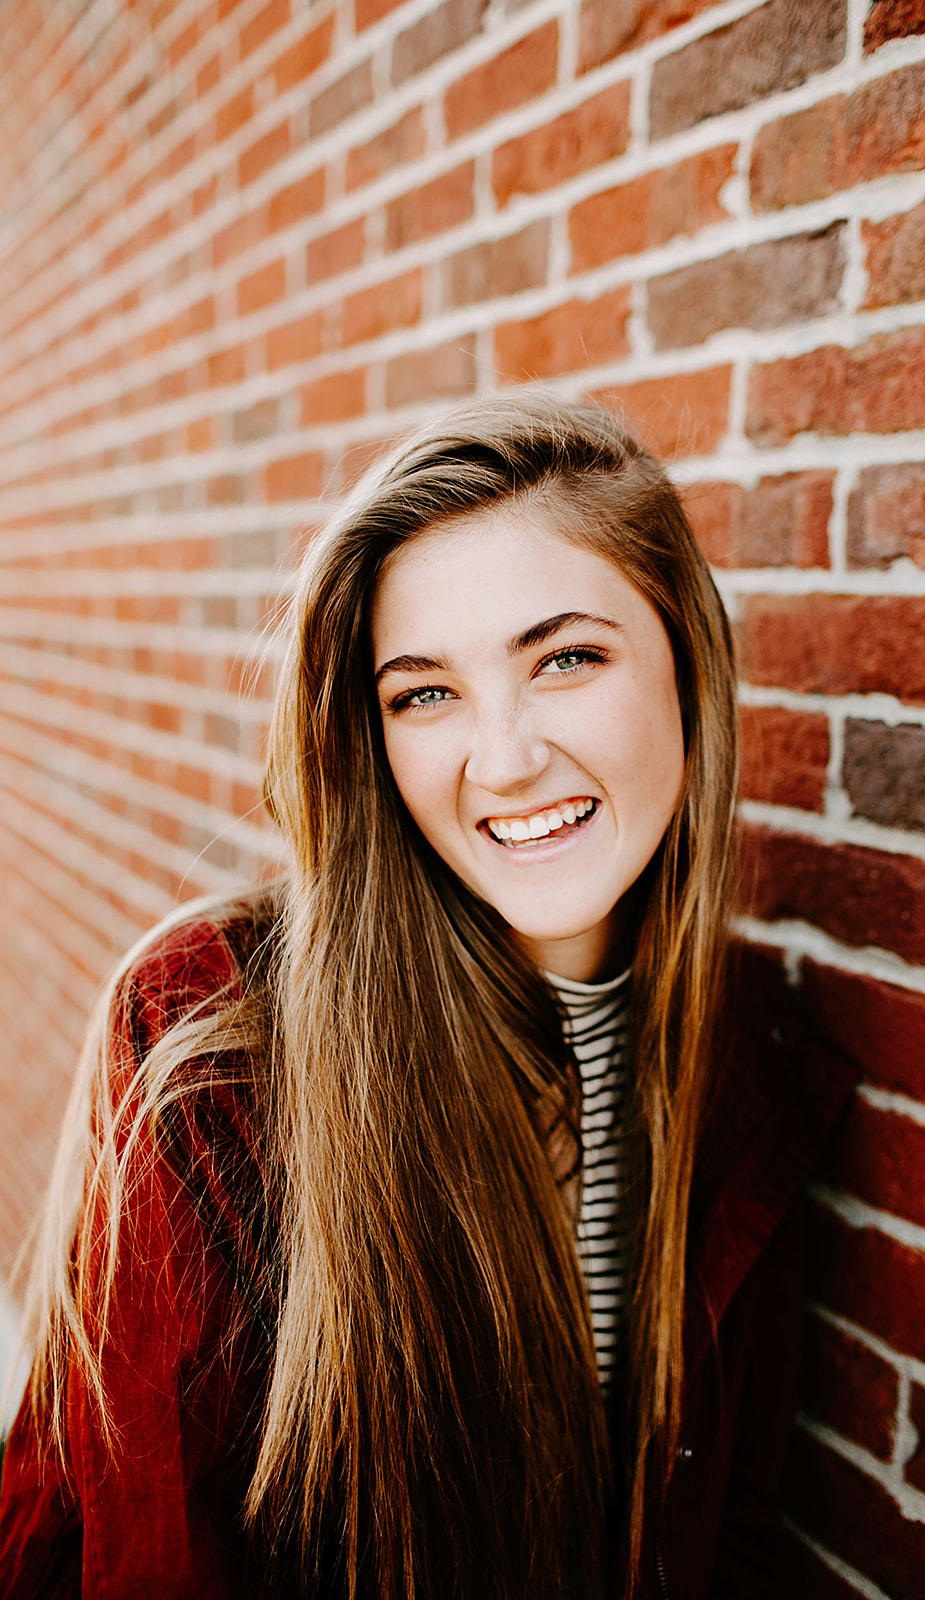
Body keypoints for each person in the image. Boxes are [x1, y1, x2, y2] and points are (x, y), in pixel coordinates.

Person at [0, 394, 854, 1598]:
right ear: (371, 734)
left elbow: (728, 1536)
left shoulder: (745, 1057)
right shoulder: (212, 1037)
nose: (501, 759)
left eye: (565, 658)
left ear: (683, 664)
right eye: (424, 693)